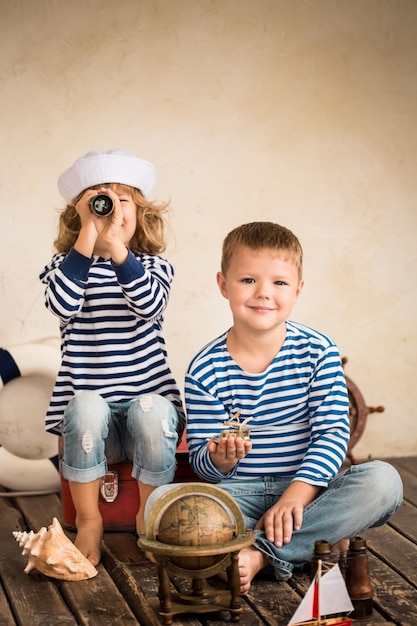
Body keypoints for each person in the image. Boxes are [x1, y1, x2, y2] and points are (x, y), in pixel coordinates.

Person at [152, 221, 402, 595]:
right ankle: (315, 538)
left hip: (309, 490)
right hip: (241, 496)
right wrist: (220, 459)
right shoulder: (205, 368)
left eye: (279, 283)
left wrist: (294, 497)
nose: (263, 294)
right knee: (161, 503)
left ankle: (257, 553)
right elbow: (205, 467)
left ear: (297, 290)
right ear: (223, 284)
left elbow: (333, 434)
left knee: (384, 481)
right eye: (248, 280)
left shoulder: (318, 351)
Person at [40, 149, 185, 566]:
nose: (112, 209)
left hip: (147, 417)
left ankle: (148, 517)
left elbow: (148, 304)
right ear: (79, 214)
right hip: (92, 424)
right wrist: (90, 234)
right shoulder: (64, 267)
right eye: (101, 200)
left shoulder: (154, 266)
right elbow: (62, 304)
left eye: (124, 200)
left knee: (151, 407)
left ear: (141, 213)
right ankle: (89, 521)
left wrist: (119, 250)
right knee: (84, 405)